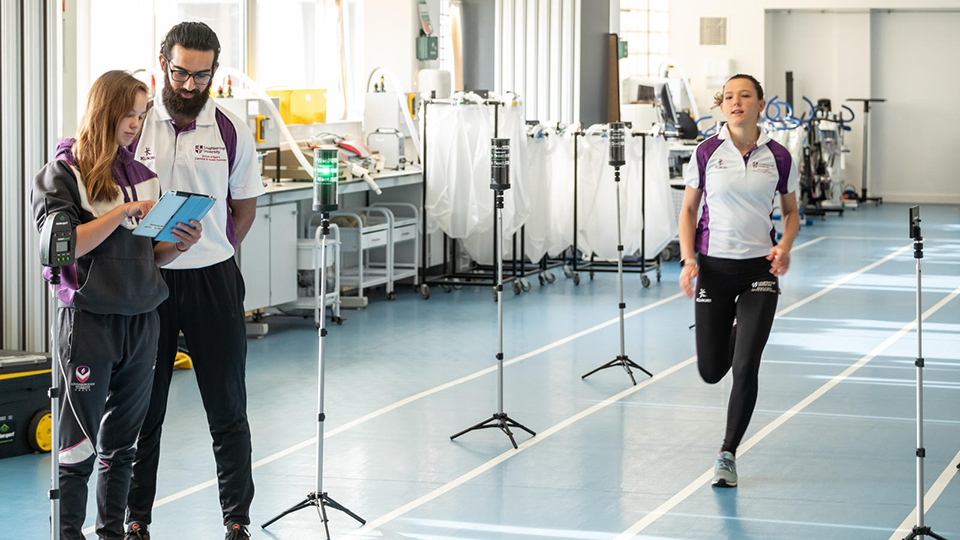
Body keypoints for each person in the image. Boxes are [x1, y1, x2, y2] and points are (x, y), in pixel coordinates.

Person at [31, 70, 202, 540]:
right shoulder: (62, 174)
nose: (135, 123)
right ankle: (67, 534)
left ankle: (111, 532)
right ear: (105, 111)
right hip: (89, 321)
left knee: (123, 444)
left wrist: (179, 244)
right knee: (77, 445)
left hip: (143, 318)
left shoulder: (144, 178)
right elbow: (61, 249)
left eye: (141, 115)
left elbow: (149, 254)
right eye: (128, 113)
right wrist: (119, 214)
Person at [123, 22, 264, 540]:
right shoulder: (136, 125)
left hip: (213, 283)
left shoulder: (230, 129)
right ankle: (136, 519)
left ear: (213, 74)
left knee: (227, 405)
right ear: (163, 61)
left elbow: (242, 212)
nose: (188, 84)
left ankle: (236, 520)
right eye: (181, 72)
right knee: (144, 409)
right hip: (147, 282)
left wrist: (211, 248)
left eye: (200, 76)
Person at [677, 74, 800, 488]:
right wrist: (688, 258)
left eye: (745, 95)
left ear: (760, 103)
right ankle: (734, 327)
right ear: (722, 105)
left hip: (758, 273)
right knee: (713, 371)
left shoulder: (779, 156)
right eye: (729, 96)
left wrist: (784, 246)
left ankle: (727, 453)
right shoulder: (706, 151)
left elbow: (791, 213)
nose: (736, 102)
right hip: (714, 269)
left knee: (746, 367)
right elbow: (689, 211)